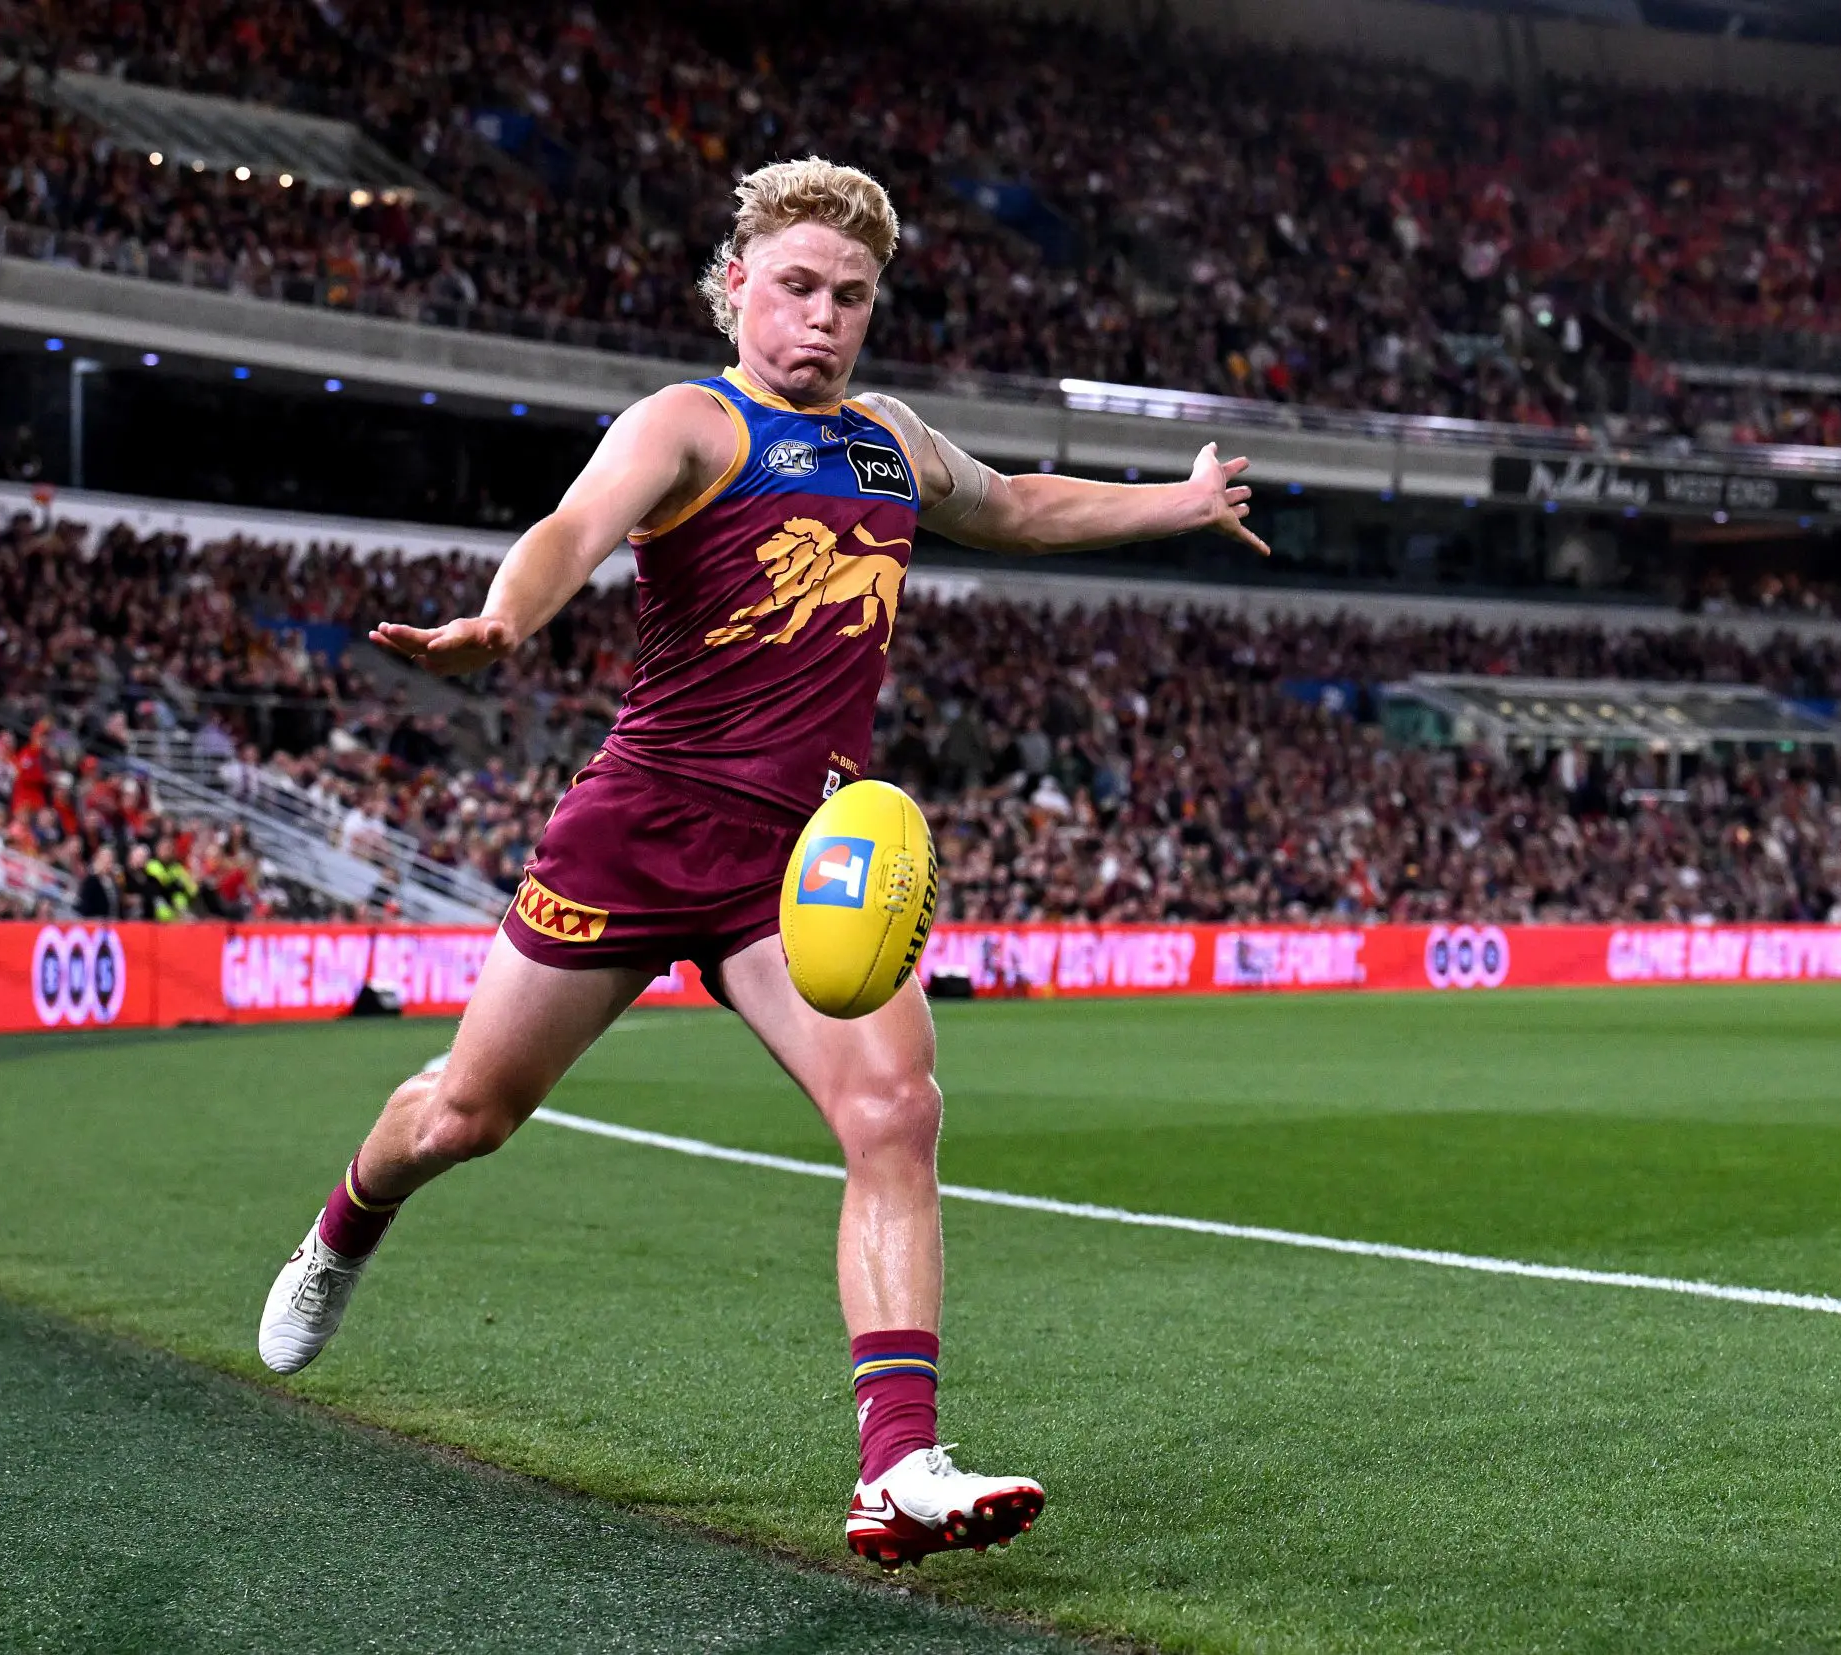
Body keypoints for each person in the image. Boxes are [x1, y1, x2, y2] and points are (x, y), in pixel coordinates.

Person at [255, 157, 1268, 1570]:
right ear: (739, 286)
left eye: (851, 295)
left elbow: (1020, 505)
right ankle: (342, 1226)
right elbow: (573, 528)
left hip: (801, 859)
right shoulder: (689, 422)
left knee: (897, 1111)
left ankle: (900, 1464)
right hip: (639, 830)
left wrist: (1177, 501)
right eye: (797, 286)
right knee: (464, 1117)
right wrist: (504, 618)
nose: (824, 317)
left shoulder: (889, 438)